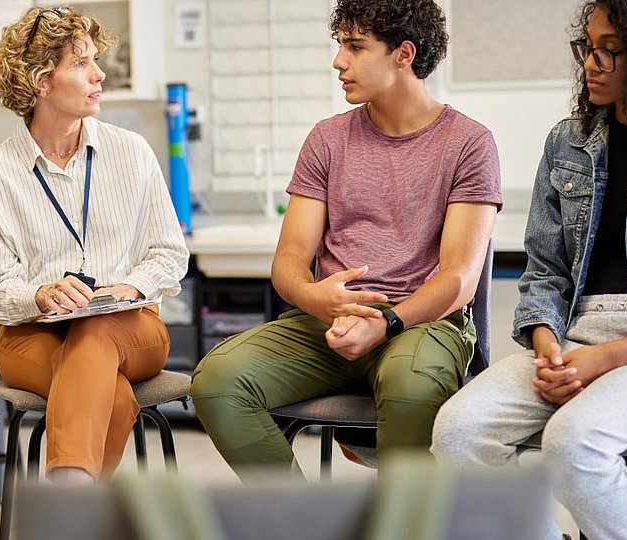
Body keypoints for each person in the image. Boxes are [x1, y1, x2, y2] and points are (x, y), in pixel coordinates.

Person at [190, 0, 502, 479]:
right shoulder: (327, 139)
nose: (339, 61)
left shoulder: (468, 143)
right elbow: (289, 259)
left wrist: (388, 323)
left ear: (404, 54)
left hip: (422, 322)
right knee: (217, 380)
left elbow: (459, 279)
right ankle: (302, 523)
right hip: (329, 322)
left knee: (410, 389)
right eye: (340, 45)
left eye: (355, 47)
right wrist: (316, 297)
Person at [431, 2, 627, 539]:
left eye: (612, 49)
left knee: (572, 442)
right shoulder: (568, 143)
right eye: (588, 46)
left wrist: (609, 356)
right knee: (458, 432)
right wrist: (547, 343)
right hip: (570, 339)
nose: (593, 62)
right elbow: (544, 272)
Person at [0, 6, 189, 484]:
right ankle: (79, 508)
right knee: (109, 392)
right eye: (82, 63)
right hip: (31, 337)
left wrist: (129, 288)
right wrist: (40, 294)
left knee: (95, 335)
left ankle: (65, 500)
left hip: (131, 327)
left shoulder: (131, 152)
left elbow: (169, 253)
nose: (99, 74)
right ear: (41, 81)